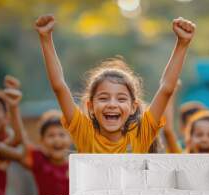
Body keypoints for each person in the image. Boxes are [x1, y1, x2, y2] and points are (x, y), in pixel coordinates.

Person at [34, 14, 196, 153]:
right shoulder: (84, 132)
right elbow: (59, 86)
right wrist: (46, 39)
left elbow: (166, 88)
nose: (112, 104)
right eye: (104, 98)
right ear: (90, 106)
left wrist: (182, 44)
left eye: (121, 99)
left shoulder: (141, 133)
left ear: (133, 107)